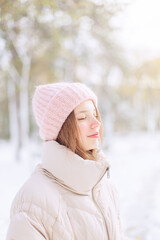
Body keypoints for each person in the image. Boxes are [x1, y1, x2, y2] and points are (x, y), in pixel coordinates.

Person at [6, 82, 124, 240]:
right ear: (60, 129)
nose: (97, 123)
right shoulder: (32, 204)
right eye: (82, 117)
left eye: (95, 115)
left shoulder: (107, 188)